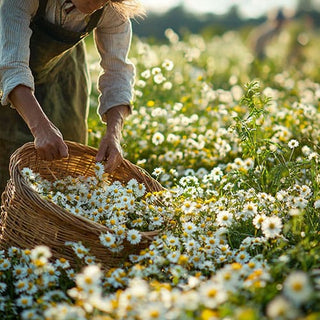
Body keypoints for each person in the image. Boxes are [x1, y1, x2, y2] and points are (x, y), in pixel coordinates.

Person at [0, 0, 144, 195]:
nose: (99, 2)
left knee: (65, 169)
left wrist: (113, 134)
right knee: (8, 166)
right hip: (6, 67)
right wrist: (40, 128)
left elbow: (118, 74)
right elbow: (12, 67)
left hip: (62, 76)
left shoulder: (112, 8)